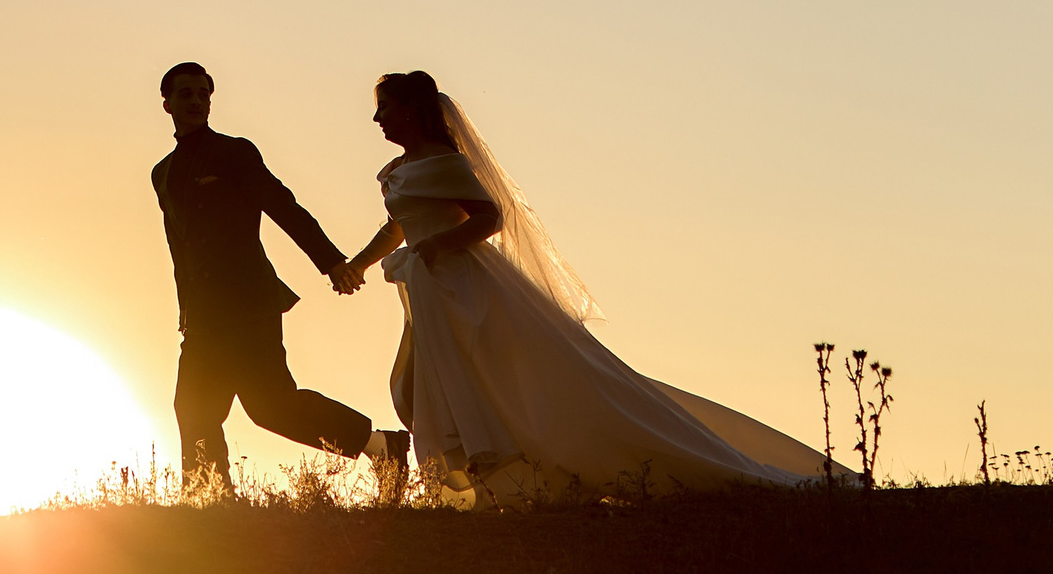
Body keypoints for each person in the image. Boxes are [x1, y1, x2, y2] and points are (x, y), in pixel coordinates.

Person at [329, 71, 831, 496]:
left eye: (385, 108)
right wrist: (360, 263)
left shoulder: (446, 162)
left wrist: (441, 245)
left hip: (463, 286)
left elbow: (490, 217)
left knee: (485, 379)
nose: (377, 119)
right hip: (428, 289)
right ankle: (490, 478)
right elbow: (397, 225)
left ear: (412, 110)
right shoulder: (398, 171)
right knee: (418, 383)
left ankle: (517, 474)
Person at [151, 60, 408, 488]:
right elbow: (180, 248)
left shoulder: (235, 152)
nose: (196, 101)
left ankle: (381, 447)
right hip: (202, 315)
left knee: (270, 407)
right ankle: (211, 498)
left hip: (250, 304)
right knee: (193, 406)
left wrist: (331, 263)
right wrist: (185, 308)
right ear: (167, 104)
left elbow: (282, 206)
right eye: (186, 94)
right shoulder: (161, 173)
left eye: (203, 94)